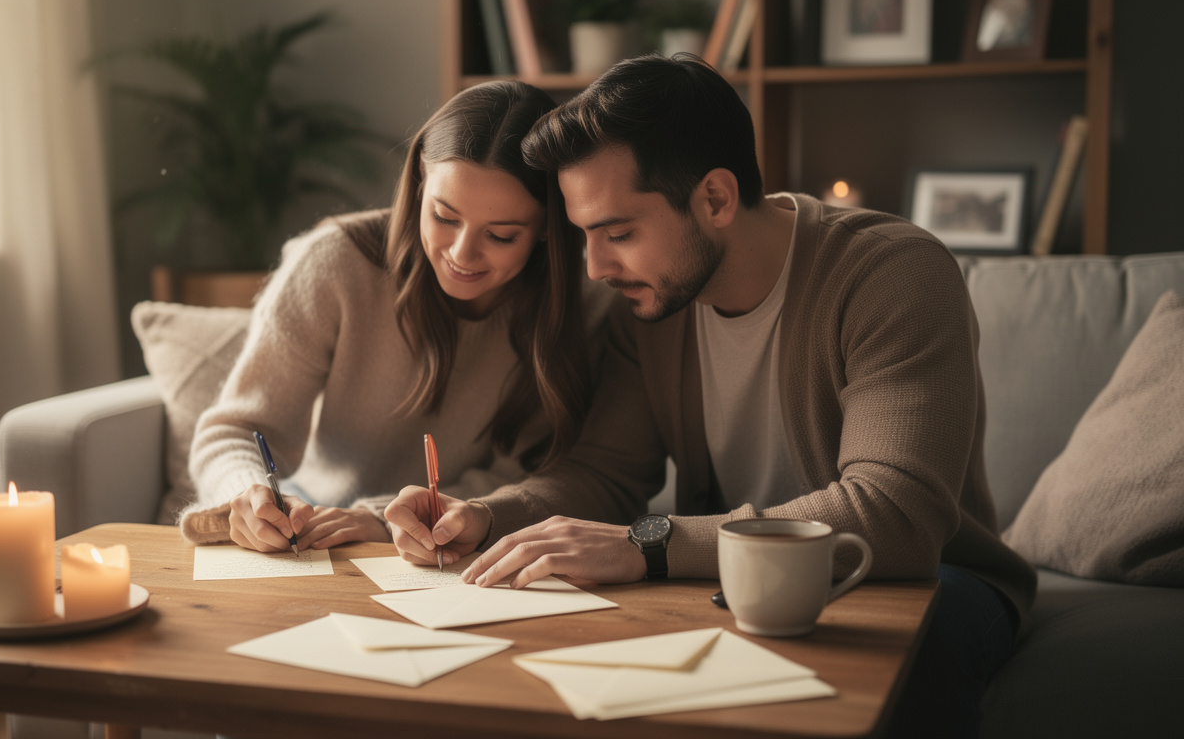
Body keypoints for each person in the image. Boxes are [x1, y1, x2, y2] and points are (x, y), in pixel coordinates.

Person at [385, 54, 1035, 738]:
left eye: (619, 233)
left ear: (716, 199)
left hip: (927, 580)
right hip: (724, 575)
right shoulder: (654, 303)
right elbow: (604, 472)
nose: (597, 268)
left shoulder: (894, 274)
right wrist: (487, 516)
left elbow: (896, 517)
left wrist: (650, 542)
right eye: (583, 236)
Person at [177, 80, 607, 554]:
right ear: (420, 178)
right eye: (444, 216)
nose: (462, 254)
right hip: (314, 530)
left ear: (548, 228)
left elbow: (531, 474)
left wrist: (383, 518)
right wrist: (248, 494)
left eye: (501, 236)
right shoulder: (334, 263)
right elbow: (234, 431)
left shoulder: (579, 306)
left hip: (459, 546)